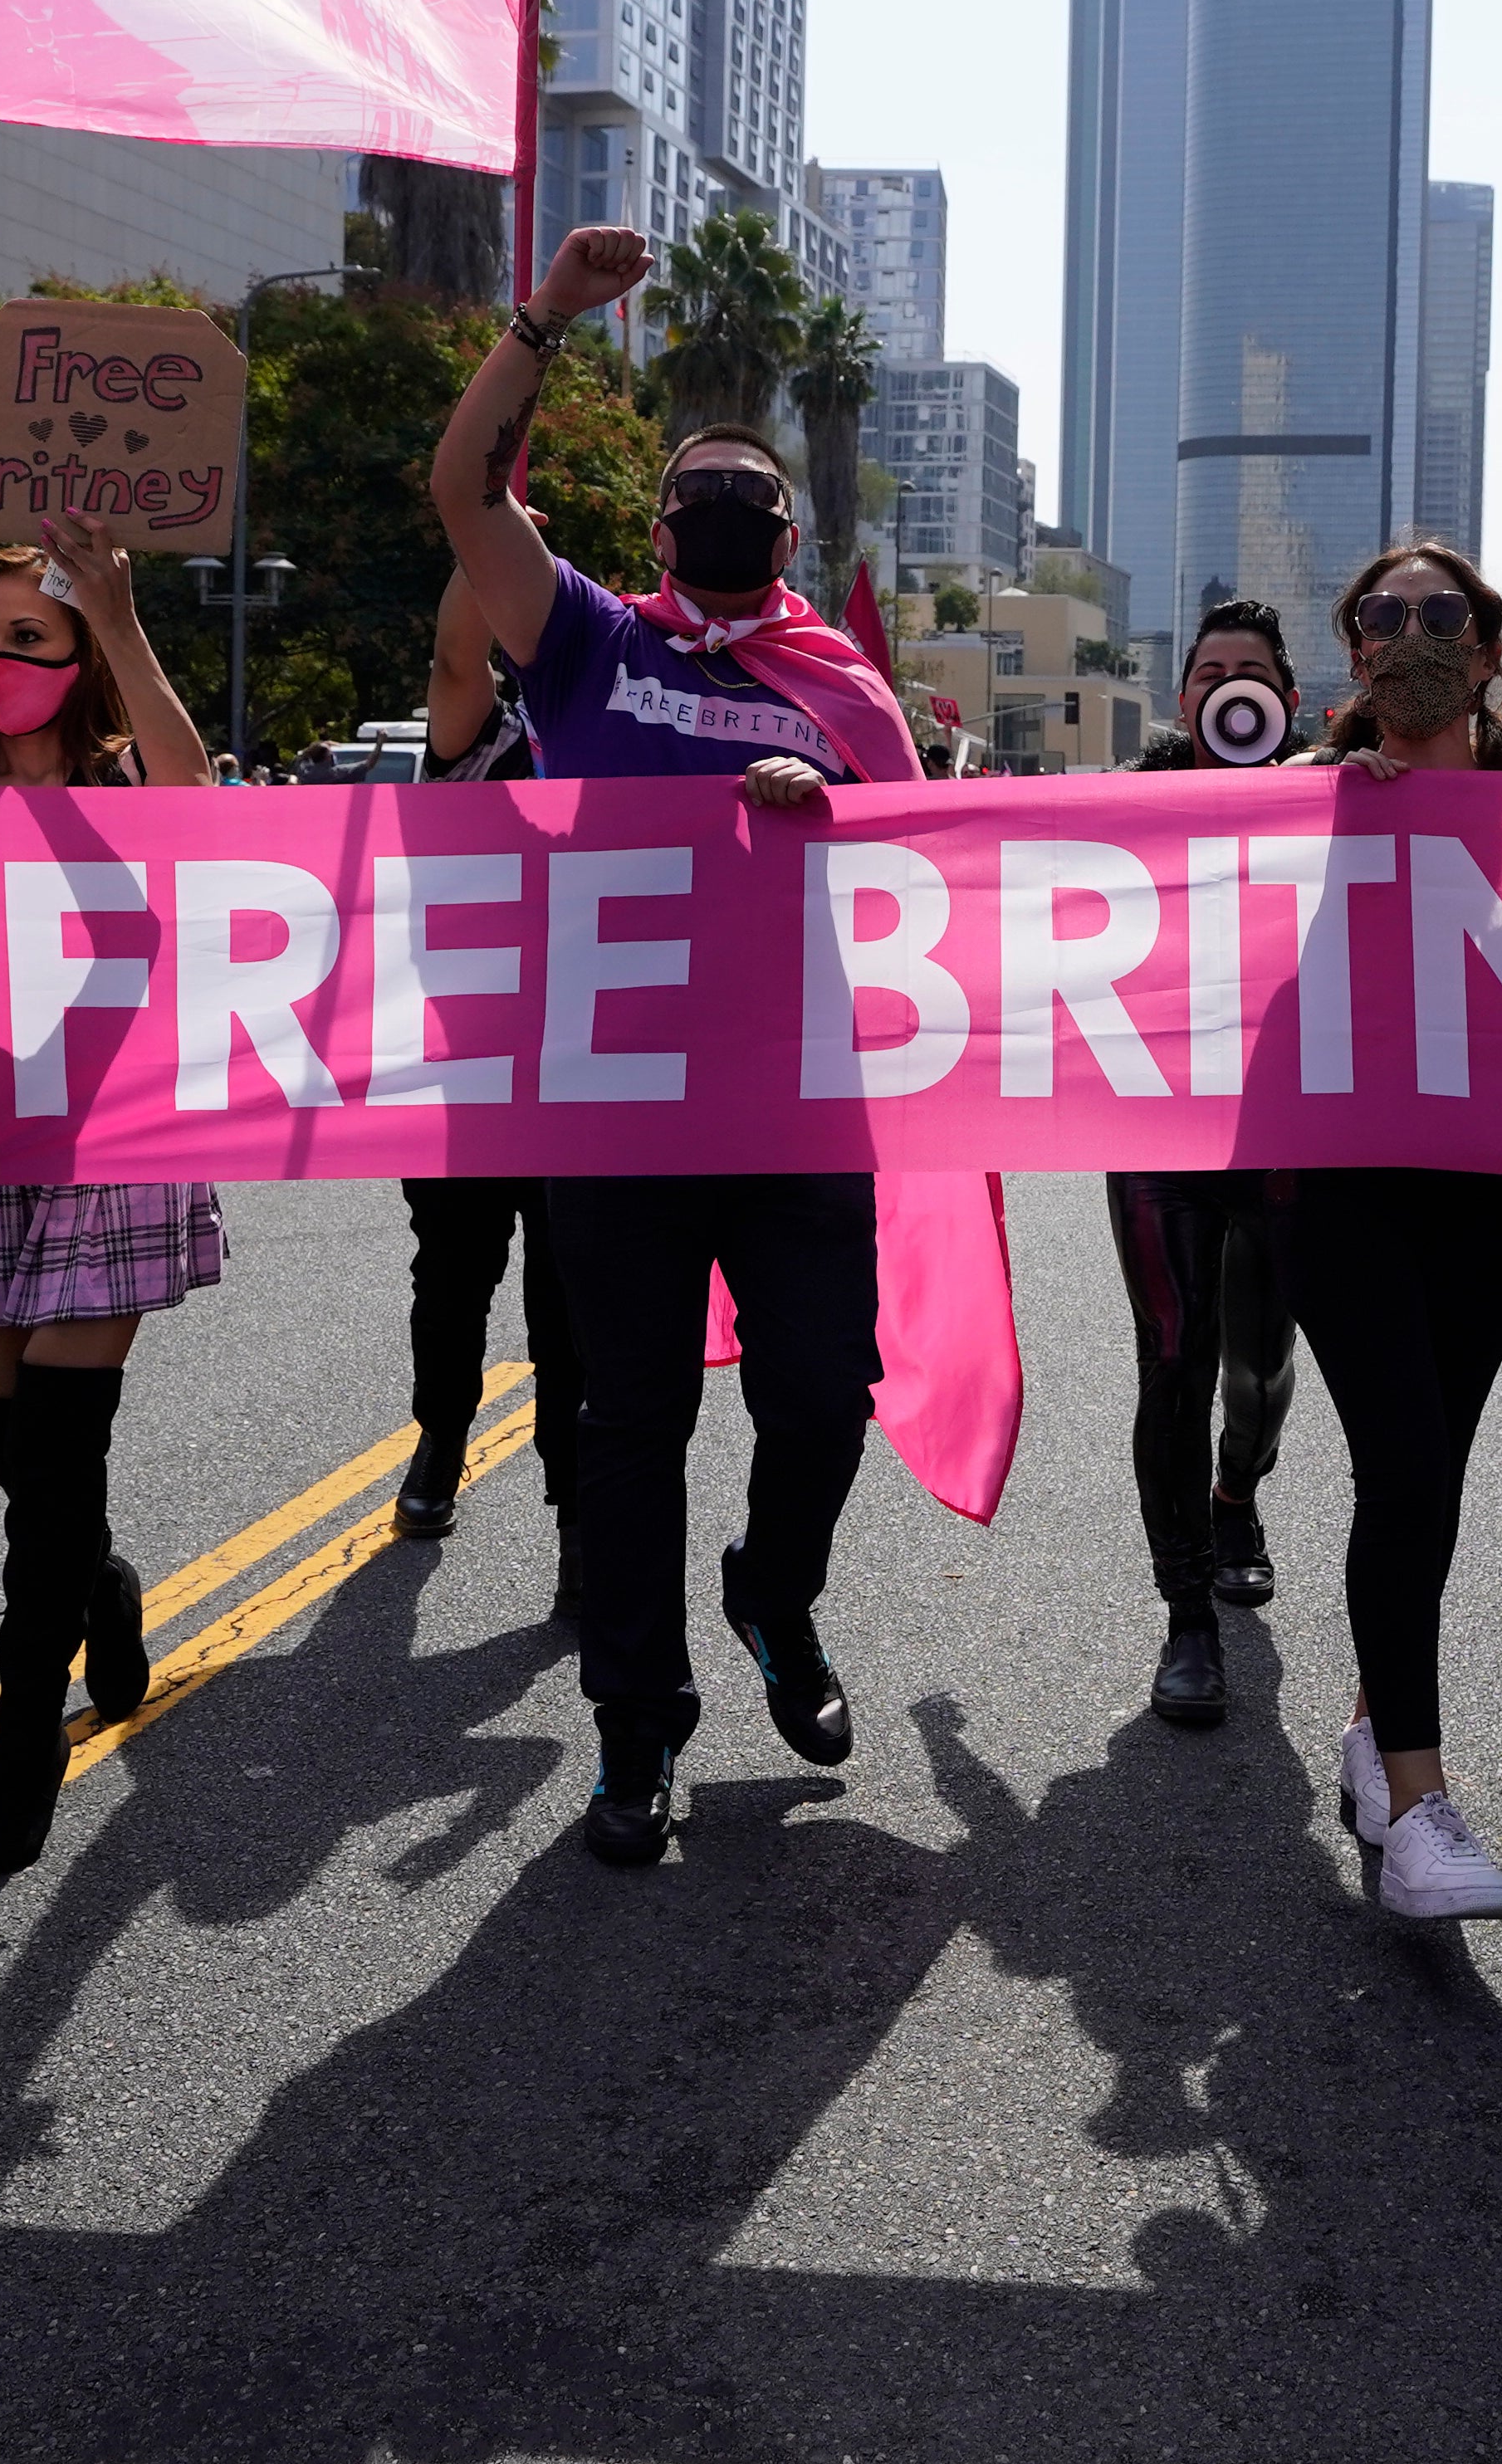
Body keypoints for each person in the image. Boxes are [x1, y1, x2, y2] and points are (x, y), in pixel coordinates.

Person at [428, 225, 924, 1870]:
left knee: (819, 1397)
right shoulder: (587, 643)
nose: (721, 511)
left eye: (750, 496)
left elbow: (935, 874)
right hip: (620, 1113)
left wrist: (834, 813)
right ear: (657, 531)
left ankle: (774, 1592)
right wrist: (545, 320)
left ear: (787, 535)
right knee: (625, 1426)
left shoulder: (842, 685)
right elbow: (462, 491)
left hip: (799, 1112)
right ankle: (634, 1730)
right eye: (695, 492)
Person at [0, 506, 219, 1882]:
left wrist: (125, 618)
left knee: (55, 1469)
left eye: (26, 637)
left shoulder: (123, 790)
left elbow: (200, 805)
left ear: (80, 651)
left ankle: (23, 1753)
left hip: (112, 1151)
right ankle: (103, 1588)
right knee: (12, 1445)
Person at [1289, 537, 1502, 1924]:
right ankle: (1417, 1802)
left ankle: (1365, 1729)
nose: (1408, 628)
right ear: (1351, 651)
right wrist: (1313, 814)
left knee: (1431, 1475)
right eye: (1380, 610)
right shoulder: (1301, 799)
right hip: (1338, 1187)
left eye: (1438, 609)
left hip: (1491, 1192)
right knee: (1403, 1465)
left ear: (1482, 643)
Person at [1108, 596, 1316, 1728]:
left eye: (1251, 670)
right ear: (1184, 696)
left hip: (1284, 1127)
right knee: (1173, 1358)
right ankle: (1187, 1612)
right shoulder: (1129, 806)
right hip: (1157, 1123)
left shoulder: (1341, 796)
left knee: (1260, 1360)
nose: (1229, 684)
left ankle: (1240, 1491)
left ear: (1286, 698)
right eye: (1210, 669)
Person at [390, 534, 580, 1596]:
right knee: (452, 1279)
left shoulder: (627, 746)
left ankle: (576, 1510)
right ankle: (441, 1443)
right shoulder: (485, 736)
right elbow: (457, 660)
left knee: (573, 1301)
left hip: (589, 1083)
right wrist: (479, 531)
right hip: (466, 1073)